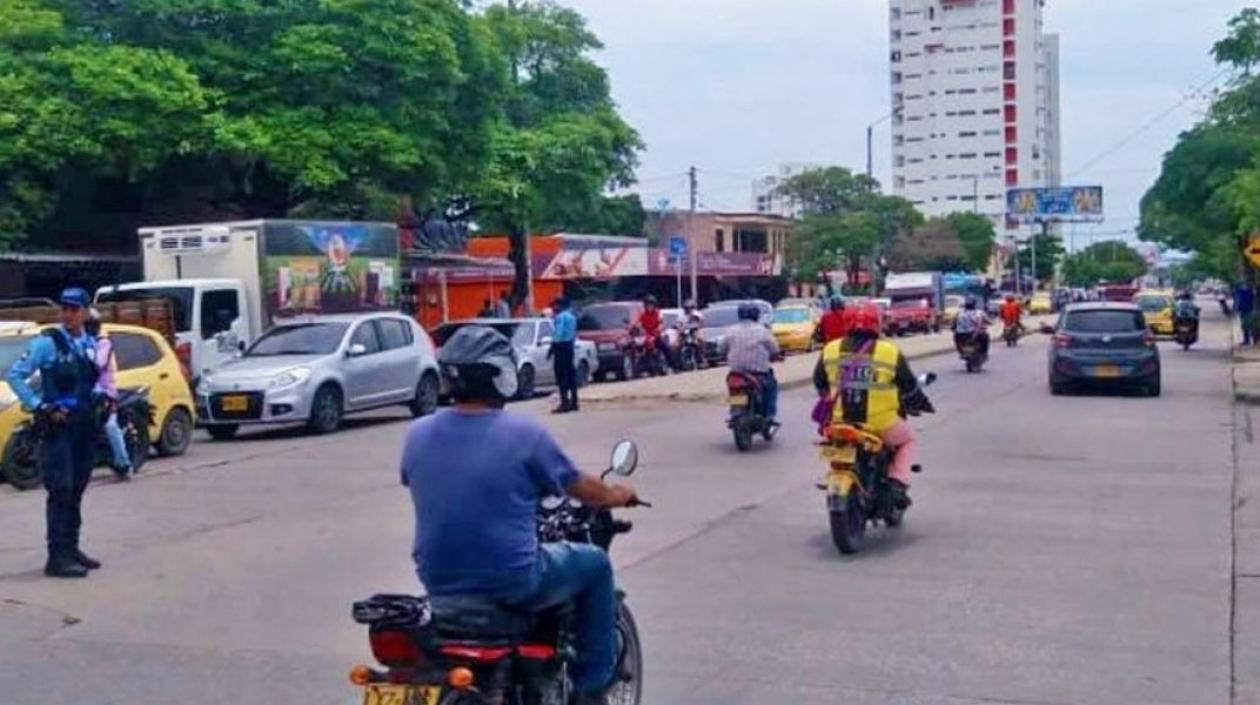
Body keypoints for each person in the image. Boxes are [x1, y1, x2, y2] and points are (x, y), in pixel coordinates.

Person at [400, 326, 638, 704]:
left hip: (437, 580)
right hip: (513, 579)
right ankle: (591, 684)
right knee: (595, 565)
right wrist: (615, 495)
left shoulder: (417, 434)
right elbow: (576, 484)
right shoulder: (524, 434)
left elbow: (423, 479)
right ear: (500, 376)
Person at [7, 288, 101, 578]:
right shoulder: (47, 343)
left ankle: (72, 548)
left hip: (84, 426)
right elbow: (16, 375)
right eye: (65, 308)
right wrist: (39, 406)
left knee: (77, 489)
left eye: (75, 309)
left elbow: (95, 379)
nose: (69, 314)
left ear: (85, 312)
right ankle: (57, 557)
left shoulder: (89, 342)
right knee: (60, 490)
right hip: (58, 428)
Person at [813, 303, 934, 504]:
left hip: (840, 421)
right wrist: (923, 404)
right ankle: (897, 483)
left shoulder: (830, 349)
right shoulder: (889, 351)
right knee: (908, 440)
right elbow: (909, 386)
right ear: (876, 323)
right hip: (881, 423)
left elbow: (820, 382)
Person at [84, 311, 132, 480]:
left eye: (91, 325)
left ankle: (124, 462)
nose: (89, 328)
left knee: (110, 426)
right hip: (85, 390)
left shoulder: (103, 343)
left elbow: (98, 363)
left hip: (104, 391)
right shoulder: (79, 342)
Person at [725, 303, 781, 423]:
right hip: (759, 373)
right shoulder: (762, 331)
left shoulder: (730, 331)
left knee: (733, 390)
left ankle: (734, 411)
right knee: (772, 387)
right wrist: (776, 356)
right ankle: (769, 416)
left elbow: (721, 349)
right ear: (756, 316)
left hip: (736, 373)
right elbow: (775, 349)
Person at [549, 297, 580, 414]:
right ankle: (574, 402)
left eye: (554, 306)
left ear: (559, 306)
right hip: (570, 346)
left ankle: (564, 403)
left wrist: (552, 347)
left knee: (561, 376)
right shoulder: (572, 317)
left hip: (561, 347)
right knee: (570, 374)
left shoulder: (561, 317)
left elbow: (558, 334)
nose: (553, 309)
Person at [1237, 281, 1257, 347]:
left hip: (1249, 310)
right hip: (1244, 310)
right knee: (1245, 325)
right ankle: (1247, 340)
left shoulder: (1251, 292)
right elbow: (1238, 301)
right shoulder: (1241, 291)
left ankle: (1251, 340)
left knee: (1250, 325)